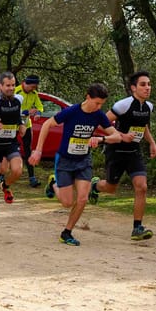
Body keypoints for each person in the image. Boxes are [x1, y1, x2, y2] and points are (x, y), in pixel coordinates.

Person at [28, 83, 121, 246]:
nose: (99, 107)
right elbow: (47, 125)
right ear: (88, 97)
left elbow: (116, 136)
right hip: (65, 160)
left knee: (83, 198)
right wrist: (38, 150)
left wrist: (101, 139)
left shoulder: (98, 115)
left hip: (84, 161)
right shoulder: (72, 112)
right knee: (67, 203)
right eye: (97, 103)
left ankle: (67, 232)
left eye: (102, 104)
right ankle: (53, 184)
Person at [89, 71, 156, 241]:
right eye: (143, 84)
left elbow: (143, 127)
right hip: (116, 152)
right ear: (133, 88)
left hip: (134, 152)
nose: (147, 88)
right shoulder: (123, 105)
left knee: (142, 187)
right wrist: (121, 136)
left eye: (149, 84)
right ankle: (96, 186)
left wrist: (152, 142)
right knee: (111, 188)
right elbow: (101, 124)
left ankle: (137, 228)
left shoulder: (148, 107)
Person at [0, 72, 26, 217]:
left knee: (17, 170)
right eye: (8, 85)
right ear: (1, 86)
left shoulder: (19, 99)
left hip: (10, 142)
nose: (11, 88)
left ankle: (5, 186)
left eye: (13, 85)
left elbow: (19, 116)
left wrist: (22, 125)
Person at [15, 75, 44, 187]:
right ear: (25, 83)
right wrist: (27, 112)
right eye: (32, 87)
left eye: (35, 87)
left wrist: (38, 113)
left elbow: (40, 106)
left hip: (27, 125)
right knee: (8, 149)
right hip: (14, 126)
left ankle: (32, 178)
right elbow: (11, 108)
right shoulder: (16, 91)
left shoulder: (34, 94)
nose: (33, 89)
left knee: (28, 150)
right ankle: (2, 175)